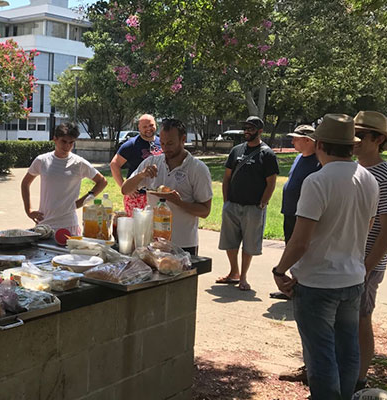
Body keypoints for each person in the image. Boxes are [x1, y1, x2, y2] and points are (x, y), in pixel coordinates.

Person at [273, 113, 378, 400]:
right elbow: (365, 230)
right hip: (353, 277)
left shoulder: (317, 181)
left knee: (321, 357)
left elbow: (301, 241)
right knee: (347, 352)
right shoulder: (368, 179)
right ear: (350, 146)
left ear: (319, 144)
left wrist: (280, 270)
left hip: (318, 282)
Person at [121, 118, 213, 255]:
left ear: (183, 139)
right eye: (162, 143)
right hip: (153, 243)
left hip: (183, 244)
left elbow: (205, 211)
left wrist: (178, 202)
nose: (165, 148)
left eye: (170, 143)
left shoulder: (197, 169)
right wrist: (141, 175)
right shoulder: (152, 162)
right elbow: (125, 189)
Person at [352, 110, 387, 392]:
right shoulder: (352, 169)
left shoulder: (386, 176)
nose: (354, 141)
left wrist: (365, 266)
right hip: (344, 261)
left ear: (378, 139)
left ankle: (359, 380)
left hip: (366, 263)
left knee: (361, 319)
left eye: (361, 135)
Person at [217, 116, 279, 291]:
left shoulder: (267, 154)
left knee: (249, 243)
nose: (247, 132)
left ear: (259, 131)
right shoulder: (236, 151)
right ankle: (233, 272)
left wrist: (263, 203)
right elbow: (227, 177)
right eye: (245, 128)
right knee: (230, 241)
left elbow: (271, 182)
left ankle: (243, 277)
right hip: (233, 205)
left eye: (251, 129)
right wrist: (226, 201)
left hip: (253, 207)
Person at [20, 123, 107, 235]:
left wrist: (83, 201)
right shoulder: (42, 161)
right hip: (44, 223)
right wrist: (29, 210)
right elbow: (25, 183)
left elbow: (102, 182)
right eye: (64, 141)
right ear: (55, 139)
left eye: (71, 142)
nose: (67, 146)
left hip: (68, 224)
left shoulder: (79, 163)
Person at [271, 125, 321, 301]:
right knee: (290, 249)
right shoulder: (299, 157)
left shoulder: (318, 162)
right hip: (290, 213)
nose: (292, 142)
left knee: (303, 251)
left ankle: (301, 289)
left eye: (296, 138)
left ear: (308, 140)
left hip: (306, 216)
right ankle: (291, 286)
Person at [110, 113, 161, 190]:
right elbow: (114, 164)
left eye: (151, 125)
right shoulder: (131, 144)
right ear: (139, 128)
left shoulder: (162, 142)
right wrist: (124, 186)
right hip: (138, 194)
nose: (148, 129)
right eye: (145, 127)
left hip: (158, 192)